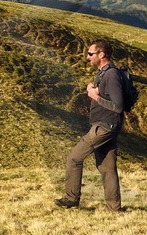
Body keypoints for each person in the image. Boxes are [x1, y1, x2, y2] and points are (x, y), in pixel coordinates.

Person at [56, 39, 130, 212]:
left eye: (90, 54)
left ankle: (71, 198)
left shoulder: (111, 75)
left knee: (74, 158)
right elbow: (105, 94)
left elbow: (118, 106)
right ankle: (114, 208)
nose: (87, 57)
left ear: (101, 55)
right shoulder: (104, 73)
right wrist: (94, 88)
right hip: (108, 125)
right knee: (107, 167)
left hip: (105, 126)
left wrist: (94, 96)